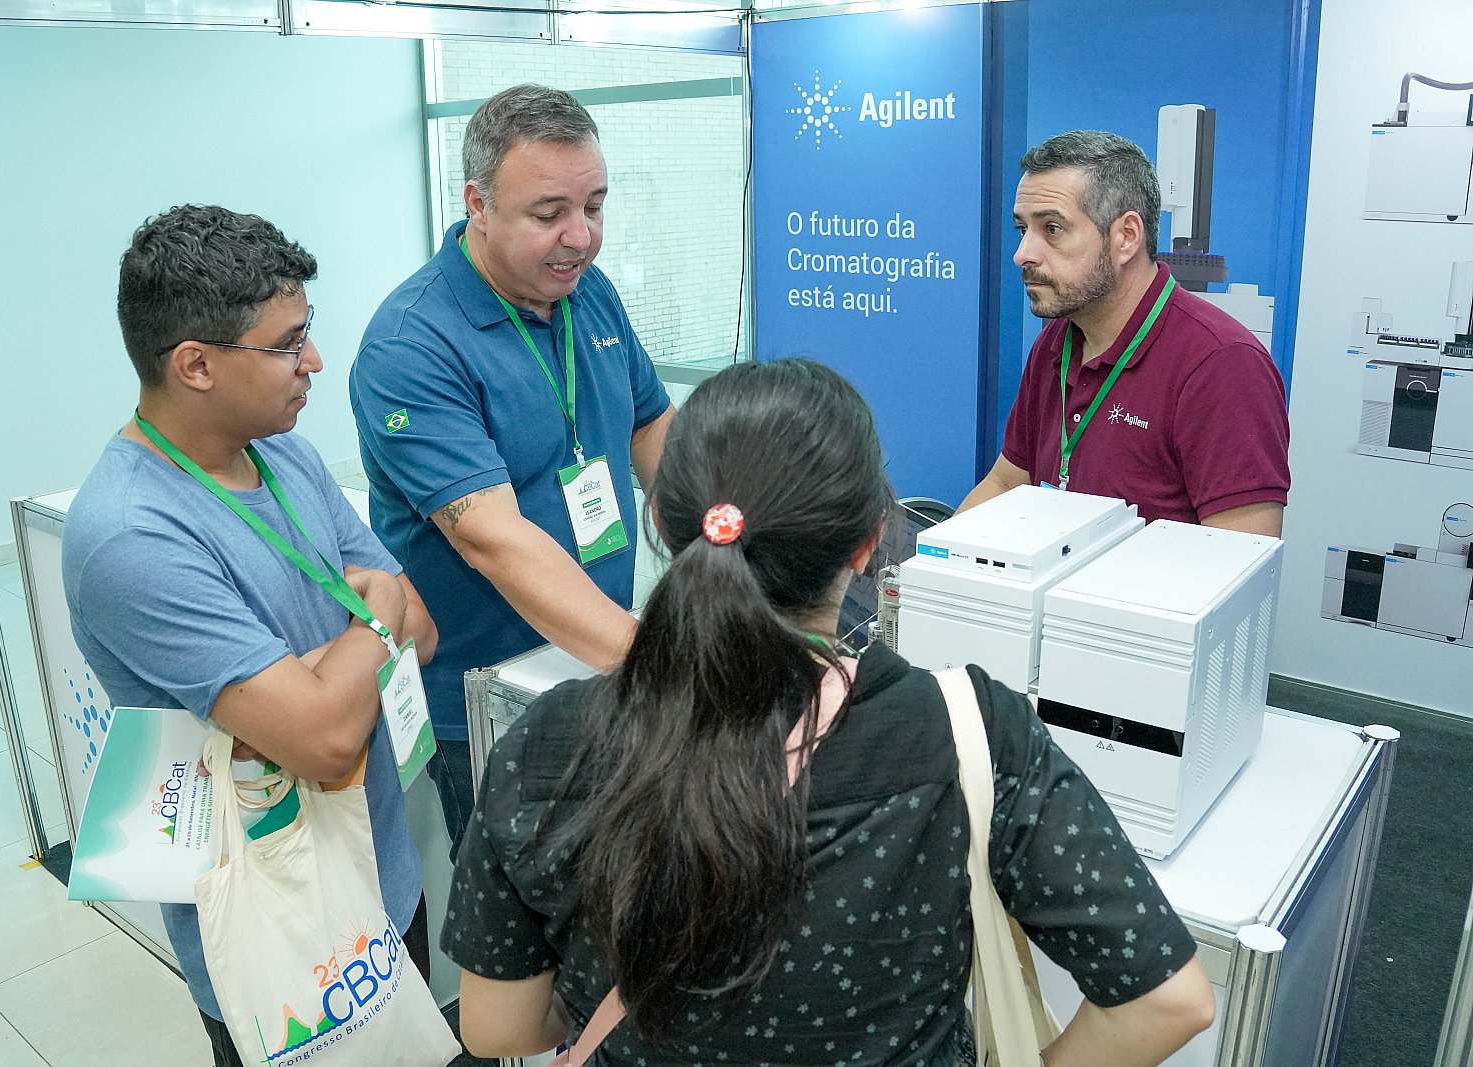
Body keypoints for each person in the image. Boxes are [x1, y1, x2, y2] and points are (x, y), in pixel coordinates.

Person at [441, 358, 1216, 1066]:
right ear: (868, 544)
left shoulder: (546, 745)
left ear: (669, 526)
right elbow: (1168, 1001)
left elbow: (496, 1028)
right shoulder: (966, 731)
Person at [63, 204, 438, 1066]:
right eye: (288, 344)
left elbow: (423, 632)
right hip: (277, 935)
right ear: (195, 363)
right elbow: (326, 736)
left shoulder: (283, 453)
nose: (315, 361)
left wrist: (347, 654)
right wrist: (373, 614)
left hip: (382, 881)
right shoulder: (130, 532)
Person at [351, 84, 674, 851]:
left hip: (597, 659)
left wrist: (722, 552)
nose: (580, 237)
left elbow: (652, 425)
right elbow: (491, 537)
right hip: (487, 698)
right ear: (479, 204)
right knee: (524, 895)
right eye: (549, 213)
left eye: (594, 206)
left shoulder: (587, 293)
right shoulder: (413, 343)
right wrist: (657, 663)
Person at [961, 130, 1290, 535]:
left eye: (1052, 228)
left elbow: (1244, 557)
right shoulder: (1057, 340)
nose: (1022, 254)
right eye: (1022, 229)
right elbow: (1007, 481)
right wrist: (929, 565)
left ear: (1127, 237)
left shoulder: (1222, 364)